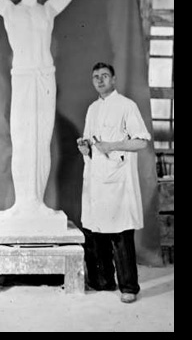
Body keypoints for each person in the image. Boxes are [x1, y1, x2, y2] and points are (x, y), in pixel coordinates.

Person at [0, 0, 81, 220]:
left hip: (44, 77)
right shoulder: (10, 11)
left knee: (41, 141)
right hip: (23, 77)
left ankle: (38, 203)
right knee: (23, 140)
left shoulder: (48, 10)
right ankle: (22, 204)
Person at [77, 62, 151, 303]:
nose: (100, 80)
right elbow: (91, 143)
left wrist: (113, 145)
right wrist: (85, 148)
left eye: (105, 76)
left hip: (118, 180)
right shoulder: (92, 109)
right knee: (96, 231)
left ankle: (129, 287)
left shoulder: (126, 106)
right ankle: (103, 281)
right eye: (95, 77)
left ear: (114, 79)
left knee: (120, 234)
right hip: (96, 180)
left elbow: (141, 142)